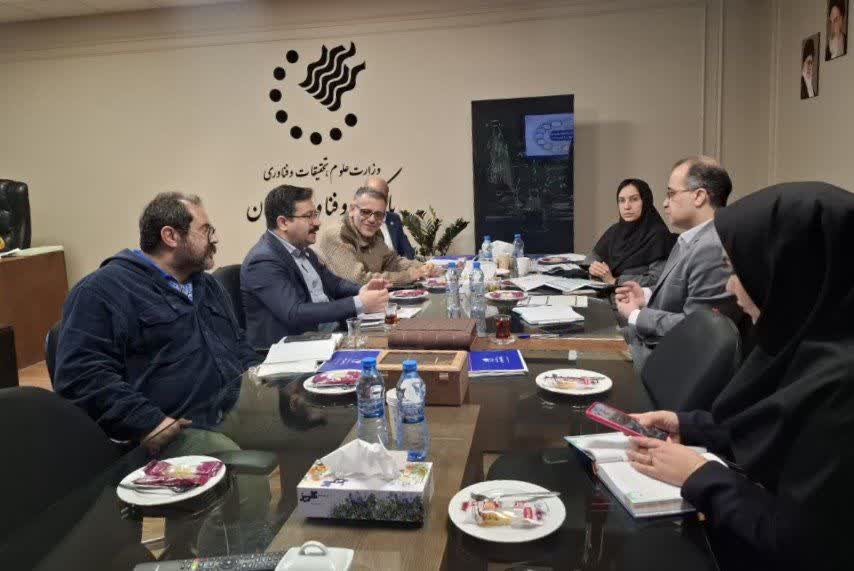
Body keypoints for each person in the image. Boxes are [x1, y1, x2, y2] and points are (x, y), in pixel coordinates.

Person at [624, 182, 854, 571]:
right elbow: (764, 427)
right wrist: (688, 425)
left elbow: (803, 543)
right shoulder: (799, 339)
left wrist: (700, 475)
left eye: (737, 271)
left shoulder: (843, 389)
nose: (730, 288)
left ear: (791, 272)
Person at [54, 193, 271, 553]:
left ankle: (282, 532)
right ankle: (223, 559)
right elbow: (81, 375)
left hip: (228, 408)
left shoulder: (205, 285)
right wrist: (148, 421)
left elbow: (236, 343)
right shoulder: (102, 291)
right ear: (171, 236)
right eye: (206, 230)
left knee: (309, 422)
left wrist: (264, 378)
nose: (214, 238)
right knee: (243, 480)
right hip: (167, 431)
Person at [615, 157, 734, 369]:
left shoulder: (713, 248)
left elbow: (697, 329)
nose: (664, 203)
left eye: (671, 194)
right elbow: (680, 293)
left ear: (699, 196)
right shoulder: (689, 238)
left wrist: (636, 315)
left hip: (669, 362)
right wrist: (646, 295)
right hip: (652, 345)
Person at [241, 185, 390, 347]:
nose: (317, 222)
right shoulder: (263, 261)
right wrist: (359, 302)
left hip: (331, 337)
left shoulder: (304, 250)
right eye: (309, 216)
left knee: (393, 337)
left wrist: (363, 290)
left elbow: (335, 284)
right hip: (295, 348)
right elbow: (294, 313)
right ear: (283, 223)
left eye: (315, 214)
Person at [314, 186, 437, 285]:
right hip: (343, 306)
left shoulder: (374, 232)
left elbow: (392, 262)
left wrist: (424, 267)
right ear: (352, 209)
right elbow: (359, 280)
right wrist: (408, 276)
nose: (372, 219)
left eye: (379, 214)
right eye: (365, 212)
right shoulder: (336, 235)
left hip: (371, 302)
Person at [587, 178, 676, 287]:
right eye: (621, 200)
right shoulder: (615, 231)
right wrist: (594, 268)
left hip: (636, 296)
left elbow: (657, 279)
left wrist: (615, 280)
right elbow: (591, 259)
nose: (627, 206)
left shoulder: (659, 235)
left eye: (634, 199)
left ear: (646, 201)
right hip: (606, 291)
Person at [364, 175, 416, 259]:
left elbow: (407, 252)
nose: (378, 200)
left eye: (382, 196)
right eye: (373, 195)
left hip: (398, 265)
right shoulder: (359, 220)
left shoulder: (394, 219)